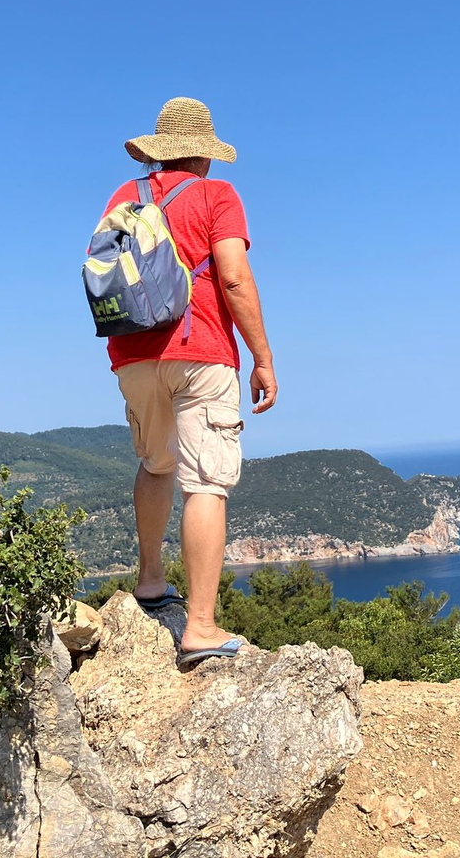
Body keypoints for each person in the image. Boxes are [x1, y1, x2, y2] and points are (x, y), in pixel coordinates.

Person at [99, 96, 276, 667]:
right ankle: (198, 626)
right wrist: (262, 357)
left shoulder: (124, 197)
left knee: (156, 464)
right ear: (202, 154)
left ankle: (151, 581)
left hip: (131, 353)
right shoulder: (217, 196)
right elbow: (234, 277)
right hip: (200, 351)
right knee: (207, 482)